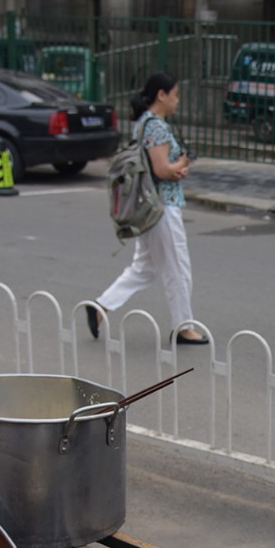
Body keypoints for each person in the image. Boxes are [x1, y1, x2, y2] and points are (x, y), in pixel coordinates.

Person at [87, 72, 207, 345]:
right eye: (174, 95)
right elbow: (162, 169)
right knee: (177, 268)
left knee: (144, 267)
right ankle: (184, 327)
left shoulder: (143, 124)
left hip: (149, 206)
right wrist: (183, 163)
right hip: (161, 208)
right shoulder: (157, 127)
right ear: (161, 95)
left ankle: (100, 307)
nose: (177, 100)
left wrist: (174, 169)